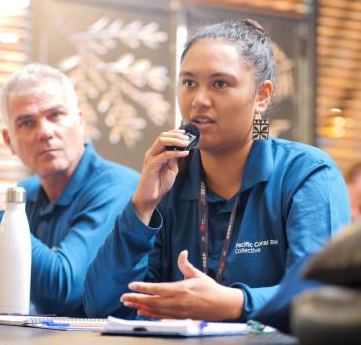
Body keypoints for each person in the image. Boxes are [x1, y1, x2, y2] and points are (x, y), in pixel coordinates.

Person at [83, 19, 350, 322]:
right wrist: (142, 208)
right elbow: (104, 308)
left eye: (220, 83)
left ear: (261, 96)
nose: (199, 100)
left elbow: (322, 297)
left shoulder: (306, 173)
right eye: (189, 83)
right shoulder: (171, 179)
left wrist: (235, 303)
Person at [0, 63, 138, 316]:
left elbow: (63, 290)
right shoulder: (26, 193)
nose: (45, 132)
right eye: (27, 122)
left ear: (80, 121)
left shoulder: (119, 187)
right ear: (9, 142)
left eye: (56, 115)